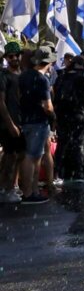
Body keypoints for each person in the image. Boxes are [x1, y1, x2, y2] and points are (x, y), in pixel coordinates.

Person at [17, 46, 58, 204]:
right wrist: (54, 116)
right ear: (48, 61)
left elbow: (19, 96)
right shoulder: (42, 79)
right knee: (32, 157)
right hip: (38, 122)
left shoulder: (24, 76)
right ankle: (28, 193)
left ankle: (33, 190)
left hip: (26, 120)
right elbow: (47, 106)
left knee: (34, 156)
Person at [0, 43, 26, 203]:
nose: (15, 58)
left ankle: (10, 186)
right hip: (7, 123)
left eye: (17, 55)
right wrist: (10, 124)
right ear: (6, 58)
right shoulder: (3, 76)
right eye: (11, 56)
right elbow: (1, 102)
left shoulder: (22, 74)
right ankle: (6, 188)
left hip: (21, 121)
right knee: (10, 156)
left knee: (18, 155)